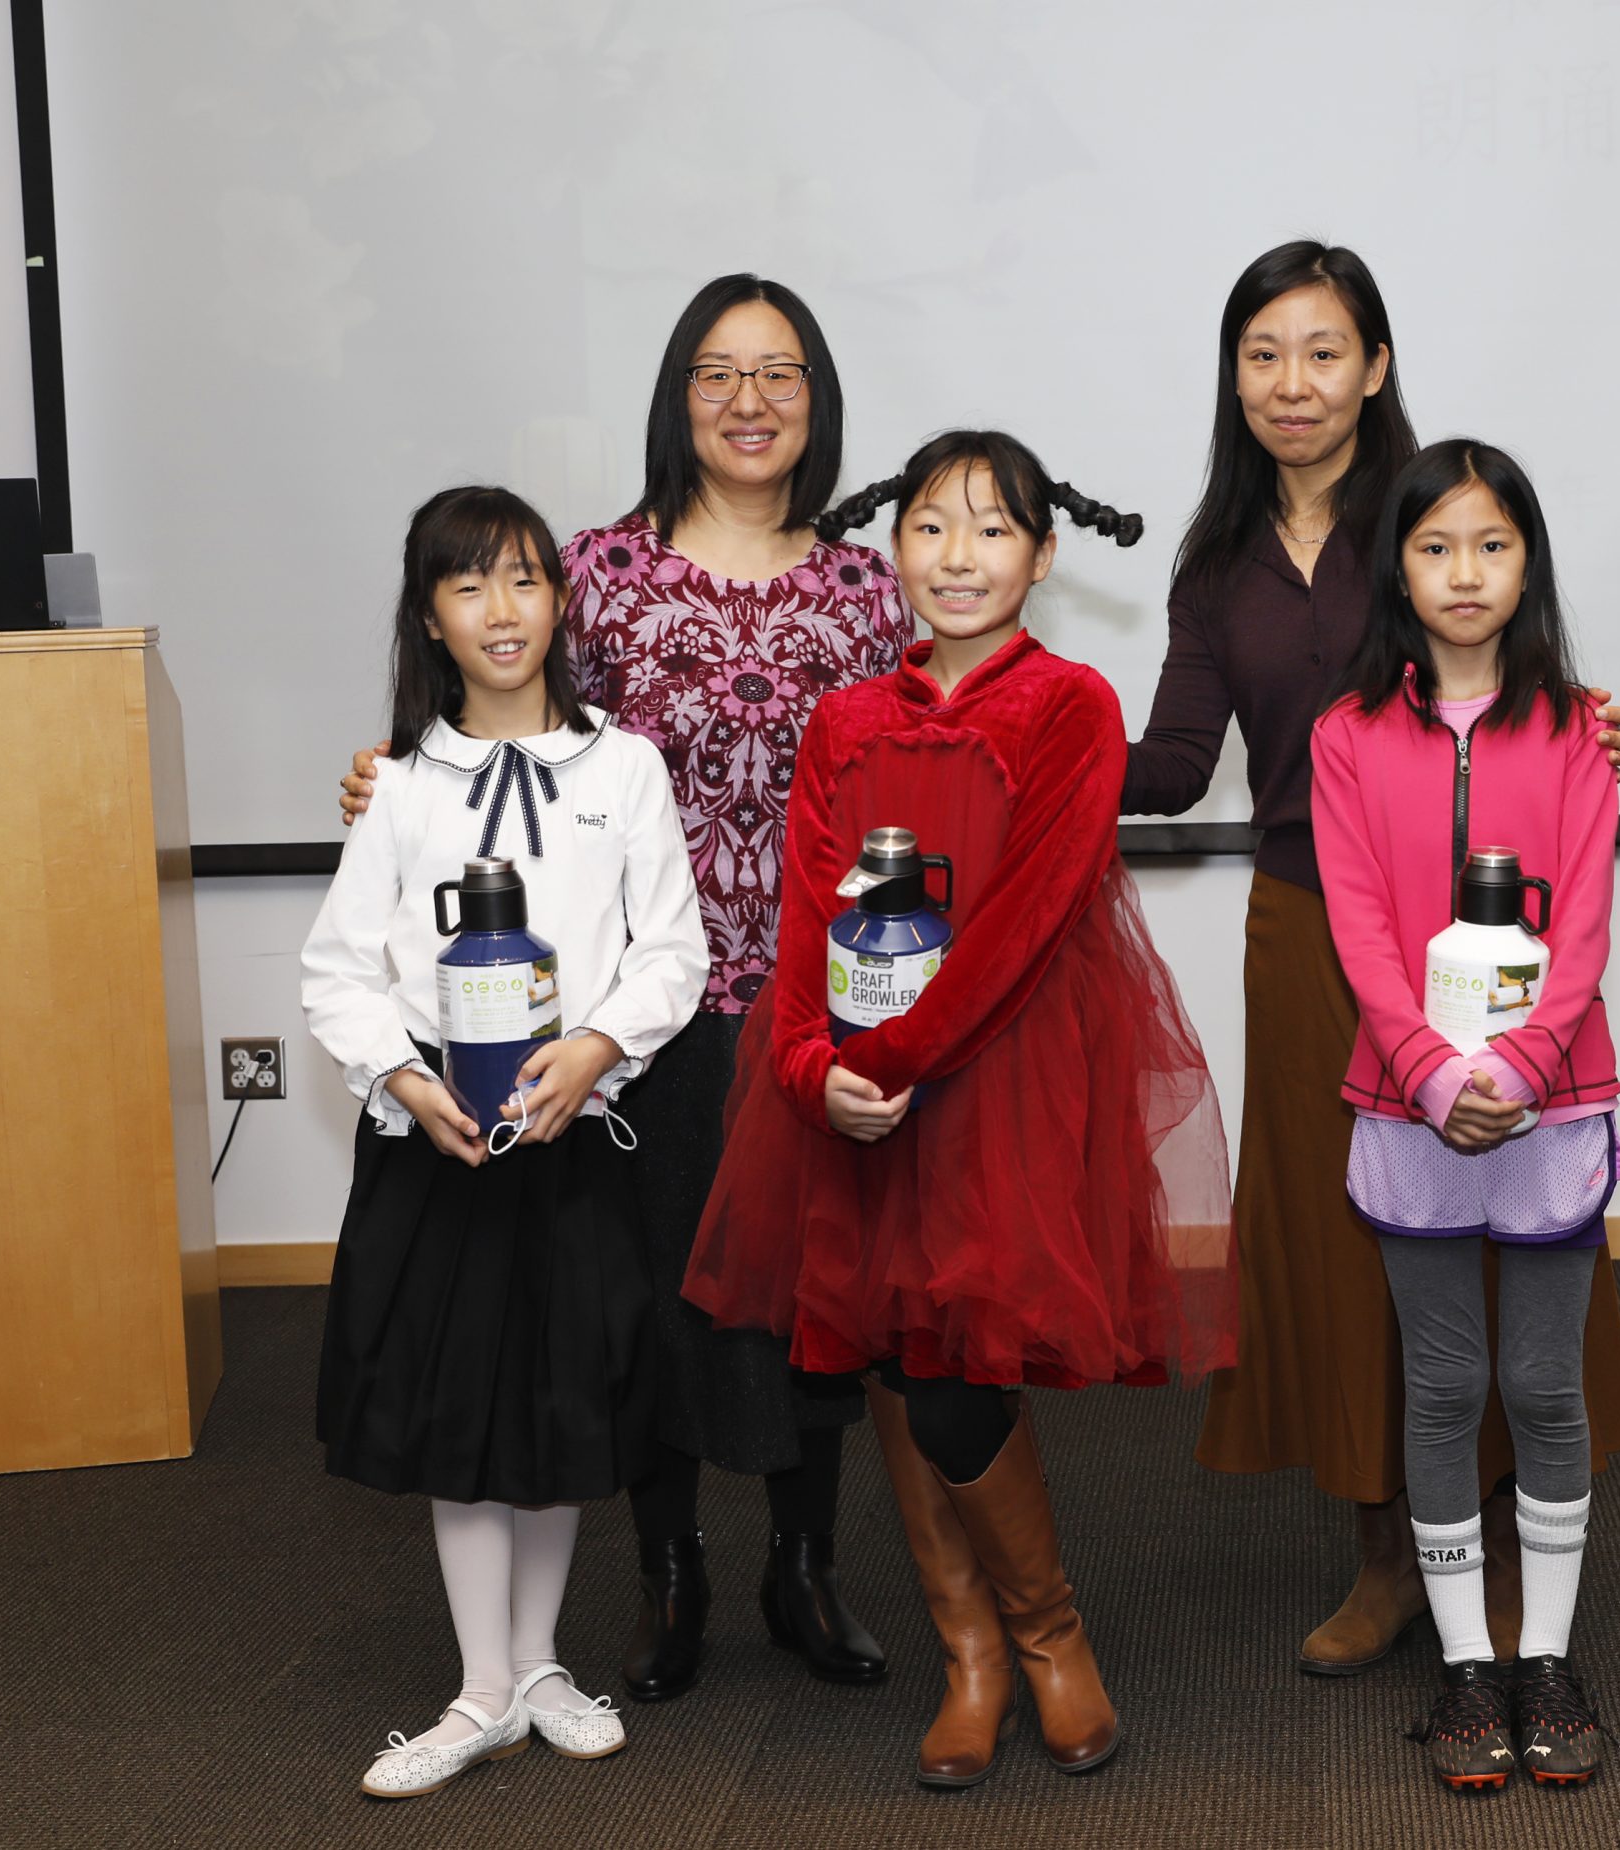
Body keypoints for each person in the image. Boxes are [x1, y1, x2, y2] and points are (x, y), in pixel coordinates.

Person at [339, 276, 910, 1701]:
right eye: (717, 373)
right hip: (636, 1018)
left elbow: (907, 777)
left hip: (816, 997)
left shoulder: (866, 588)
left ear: (818, 400)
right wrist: (386, 781)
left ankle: (804, 1565)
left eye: (780, 374)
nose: (749, 401)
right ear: (677, 397)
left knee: (806, 1292)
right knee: (654, 1295)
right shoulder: (594, 570)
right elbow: (504, 721)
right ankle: (669, 1572)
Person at [685, 432, 1234, 1789]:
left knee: (953, 1374)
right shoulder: (845, 719)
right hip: (861, 1096)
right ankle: (969, 1653)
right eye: (931, 527)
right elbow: (805, 911)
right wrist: (808, 1066)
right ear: (894, 551)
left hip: (999, 1083)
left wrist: (893, 1060)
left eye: (993, 530)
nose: (959, 556)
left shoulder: (1071, 706)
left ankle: (1050, 1639)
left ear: (1042, 558)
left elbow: (1021, 927)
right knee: (893, 1347)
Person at [1123, 240, 1620, 1675]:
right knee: (1351, 1239)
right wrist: (1032, 743)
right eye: (1263, 354)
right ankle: (1387, 1553)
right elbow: (1176, 764)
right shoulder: (1215, 563)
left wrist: (1584, 724)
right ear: (1233, 376)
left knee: (1514, 1221)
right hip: (1311, 932)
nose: (1292, 383)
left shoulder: (1429, 516)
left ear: (1377, 366)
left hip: (1485, 935)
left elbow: (1516, 682)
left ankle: (1512, 1529)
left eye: (1324, 351)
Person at [302, 486, 707, 1797]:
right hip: (444, 1153)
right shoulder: (399, 785)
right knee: (461, 1413)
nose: (501, 609)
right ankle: (480, 1686)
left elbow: (672, 951)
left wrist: (595, 1049)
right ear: (430, 614)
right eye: (468, 584)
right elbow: (338, 969)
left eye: (525, 578)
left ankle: (539, 1667)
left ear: (560, 598)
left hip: (573, 1143)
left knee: (558, 1404)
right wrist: (405, 1078)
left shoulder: (625, 769)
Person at [1311, 438, 1619, 1790]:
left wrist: (1526, 1069)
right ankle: (1463, 1669)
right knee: (1441, 1388)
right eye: (1435, 546)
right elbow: (1361, 928)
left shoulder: (1579, 728)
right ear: (1398, 570)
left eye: (1493, 544)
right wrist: (1436, 1077)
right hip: (1409, 1104)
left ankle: (1543, 1656)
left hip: (1555, 1101)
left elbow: (1585, 923)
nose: (1465, 572)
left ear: (1528, 563)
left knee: (1543, 1386)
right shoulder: (1345, 734)